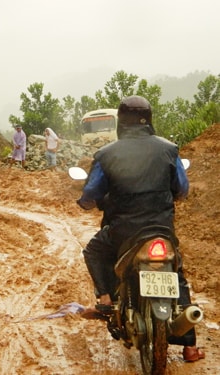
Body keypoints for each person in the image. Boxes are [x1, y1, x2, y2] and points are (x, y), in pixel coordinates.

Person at [77, 95, 205, 362]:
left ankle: (104, 300)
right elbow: (182, 189)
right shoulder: (169, 149)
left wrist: (86, 202)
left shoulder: (106, 154)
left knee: (94, 251)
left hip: (123, 231)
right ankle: (190, 347)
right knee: (177, 272)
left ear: (120, 121)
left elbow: (91, 192)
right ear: (149, 119)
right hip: (161, 229)